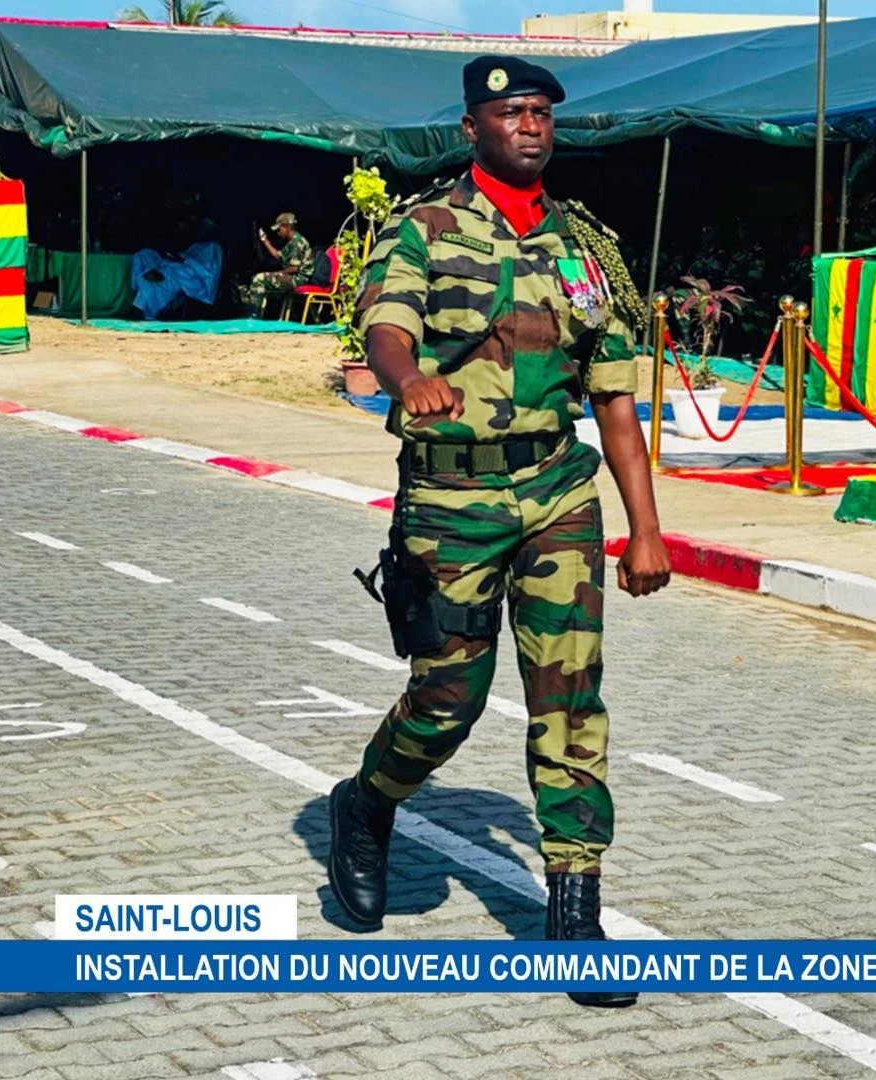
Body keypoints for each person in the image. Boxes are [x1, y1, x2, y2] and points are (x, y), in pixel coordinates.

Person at [327, 55, 672, 1008]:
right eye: (510, 111)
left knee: (570, 696)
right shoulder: (423, 226)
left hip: (558, 492)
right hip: (451, 502)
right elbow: (384, 328)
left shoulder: (582, 248)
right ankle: (367, 803)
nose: (530, 125)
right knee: (448, 699)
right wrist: (408, 383)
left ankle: (575, 910)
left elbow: (612, 398)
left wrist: (645, 530)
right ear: (473, 126)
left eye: (541, 113)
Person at [239, 212, 312, 316]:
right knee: (257, 279)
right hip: (292, 277)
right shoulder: (292, 242)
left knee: (259, 279)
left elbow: (294, 268)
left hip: (298, 279)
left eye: (279, 229)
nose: (278, 232)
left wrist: (279, 273)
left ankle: (254, 316)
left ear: (287, 227)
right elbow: (279, 256)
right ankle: (254, 314)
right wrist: (265, 241)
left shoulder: (298, 242)